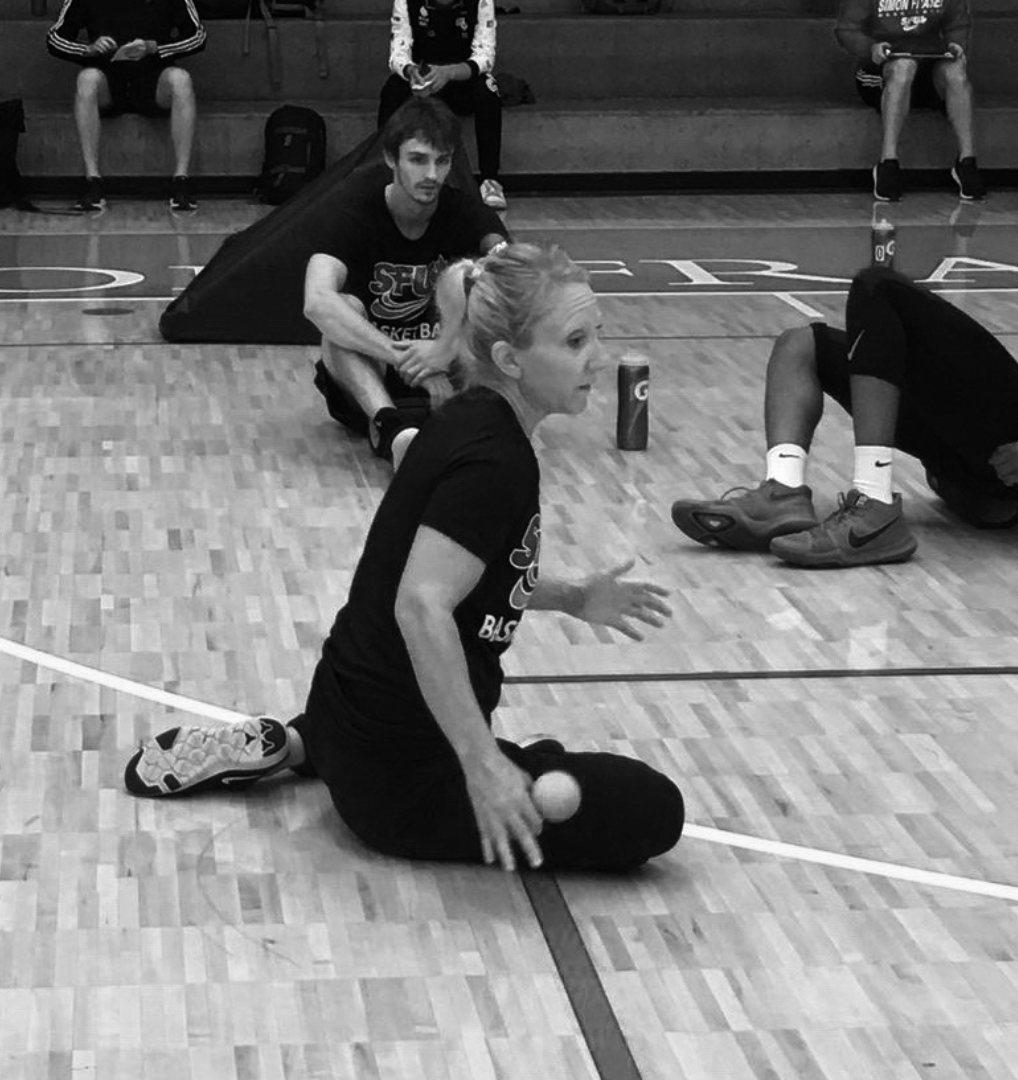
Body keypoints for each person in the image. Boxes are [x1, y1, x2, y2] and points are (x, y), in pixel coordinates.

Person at [124, 243, 685, 875]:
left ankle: (304, 745)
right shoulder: (496, 463)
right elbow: (421, 606)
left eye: (597, 335)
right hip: (398, 786)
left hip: (345, 709)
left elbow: (473, 577)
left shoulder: (468, 418)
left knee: (555, 771)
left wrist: (574, 598)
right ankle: (363, 758)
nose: (597, 357)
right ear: (510, 359)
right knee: (651, 809)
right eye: (576, 341)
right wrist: (485, 768)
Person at [671, 267, 1018, 569]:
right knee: (801, 345)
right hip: (1001, 436)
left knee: (877, 287)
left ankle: (875, 503)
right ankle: (783, 490)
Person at [303, 98, 509, 469]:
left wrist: (444, 352)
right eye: (418, 159)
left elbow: (514, 275)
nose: (431, 174)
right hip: (371, 374)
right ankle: (390, 429)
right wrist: (404, 357)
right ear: (390, 159)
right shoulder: (353, 208)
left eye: (442, 161)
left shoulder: (464, 210)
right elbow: (316, 301)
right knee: (341, 310)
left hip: (446, 376)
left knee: (483, 285)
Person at [47, 0, 206, 214]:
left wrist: (154, 47)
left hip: (153, 76)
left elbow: (198, 37)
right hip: (108, 78)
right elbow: (55, 39)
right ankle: (92, 181)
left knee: (181, 80)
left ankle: (181, 181)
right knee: (86, 79)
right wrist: (88, 49)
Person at [835, 0, 983, 203]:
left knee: (956, 72)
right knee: (904, 67)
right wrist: (871, 47)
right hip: (881, 68)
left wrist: (956, 45)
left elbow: (956, 23)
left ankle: (967, 162)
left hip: (928, 61)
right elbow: (847, 29)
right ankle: (888, 162)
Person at [379, 0, 507, 211]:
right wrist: (412, 72)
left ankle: (490, 180)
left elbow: (485, 56)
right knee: (392, 89)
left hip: (460, 77)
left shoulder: (481, 2)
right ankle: (383, 174)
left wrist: (449, 73)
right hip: (423, 78)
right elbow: (397, 54)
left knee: (489, 90)